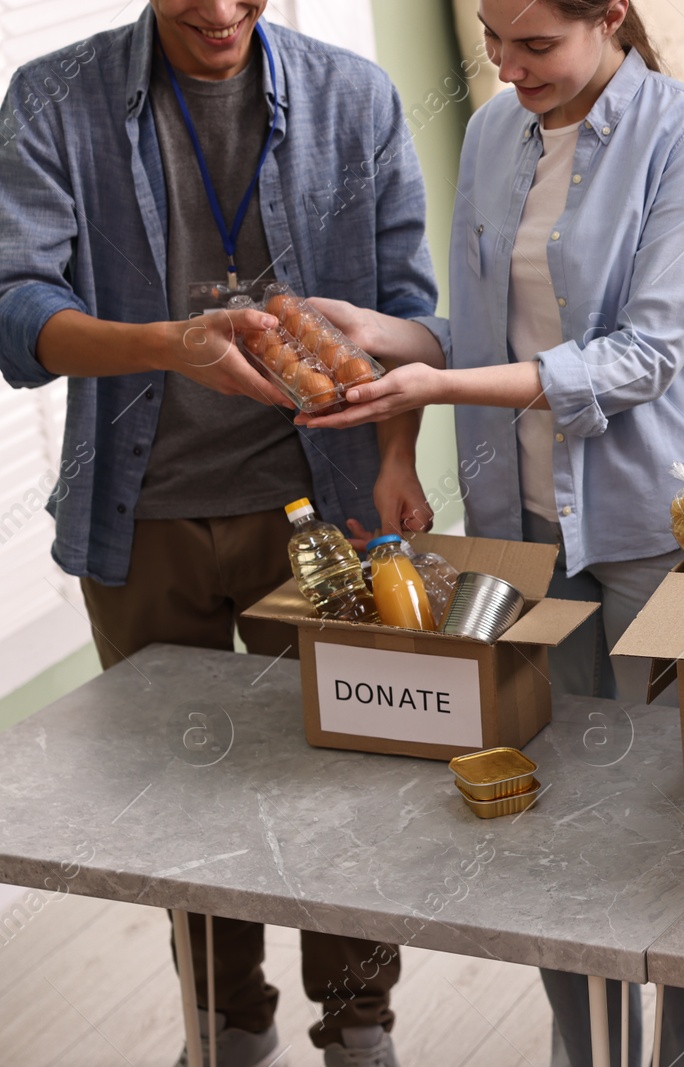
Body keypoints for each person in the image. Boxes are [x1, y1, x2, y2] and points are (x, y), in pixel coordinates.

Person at [298, 0, 684, 1063]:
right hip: (520, 536)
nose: (509, 68)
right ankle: (587, 1046)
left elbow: (645, 355)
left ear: (609, 20)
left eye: (537, 45)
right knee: (550, 815)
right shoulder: (491, 132)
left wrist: (446, 377)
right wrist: (381, 334)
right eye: (491, 40)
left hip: (658, 524)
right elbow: (480, 329)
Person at [0, 2, 444, 1064]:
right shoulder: (53, 99)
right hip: (139, 518)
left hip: (323, 515)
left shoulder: (357, 97)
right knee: (180, 805)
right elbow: (14, 309)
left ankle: (359, 1023)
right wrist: (168, 344)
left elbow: (410, 310)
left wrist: (393, 462)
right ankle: (227, 1021)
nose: (219, 9)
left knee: (341, 789)